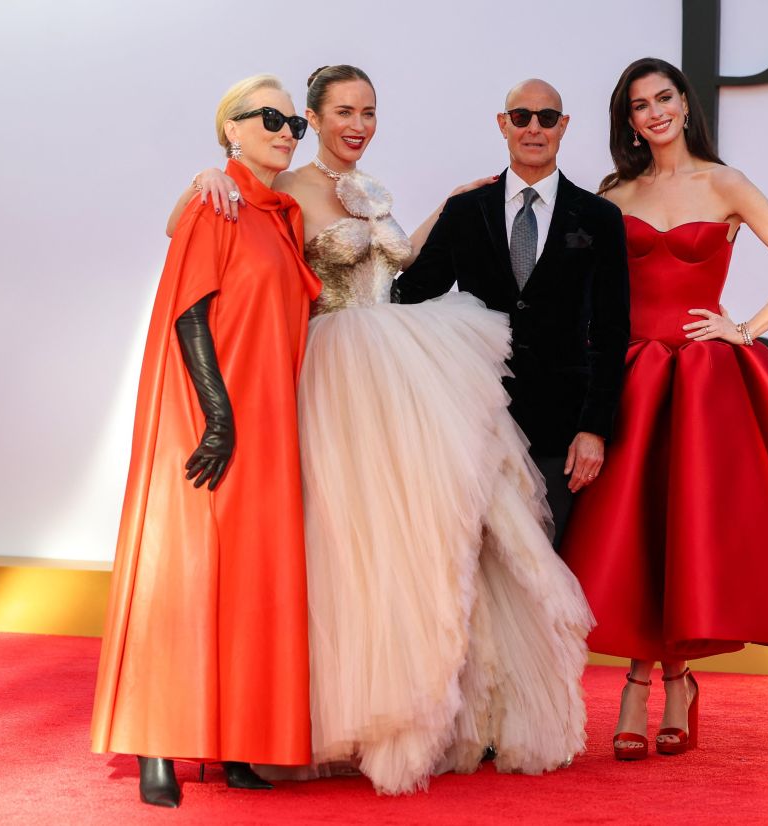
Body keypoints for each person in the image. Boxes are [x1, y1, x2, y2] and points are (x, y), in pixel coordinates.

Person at [174, 65, 592, 795]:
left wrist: (443, 212)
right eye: (342, 111)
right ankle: (334, 714)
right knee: (344, 544)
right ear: (308, 117)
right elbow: (213, 234)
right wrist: (204, 177)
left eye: (368, 111)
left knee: (421, 539)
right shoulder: (284, 186)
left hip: (395, 366)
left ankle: (431, 710)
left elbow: (394, 268)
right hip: (332, 371)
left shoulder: (371, 189)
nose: (358, 123)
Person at [559, 58, 768, 761]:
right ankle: (654, 682)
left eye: (663, 98)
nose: (652, 112)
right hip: (631, 377)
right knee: (637, 538)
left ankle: (654, 687)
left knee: (686, 534)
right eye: (637, 105)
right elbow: (584, 294)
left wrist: (745, 328)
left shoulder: (725, 182)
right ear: (627, 119)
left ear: (685, 106)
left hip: (703, 384)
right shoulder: (612, 193)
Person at [91, 74, 320, 808]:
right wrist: (218, 415)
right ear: (231, 129)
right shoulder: (213, 202)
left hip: (269, 423)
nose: (286, 131)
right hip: (205, 421)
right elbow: (192, 311)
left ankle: (236, 743)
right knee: (183, 579)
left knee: (252, 582)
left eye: (293, 122)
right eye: (270, 119)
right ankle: (158, 742)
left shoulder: (280, 214)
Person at [394, 78, 632, 546]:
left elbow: (612, 328)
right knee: (477, 562)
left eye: (547, 118)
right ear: (503, 125)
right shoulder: (465, 211)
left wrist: (594, 429)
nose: (533, 128)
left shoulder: (600, 218)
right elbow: (412, 297)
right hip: (477, 422)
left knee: (546, 567)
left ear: (563, 126)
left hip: (560, 431)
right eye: (521, 117)